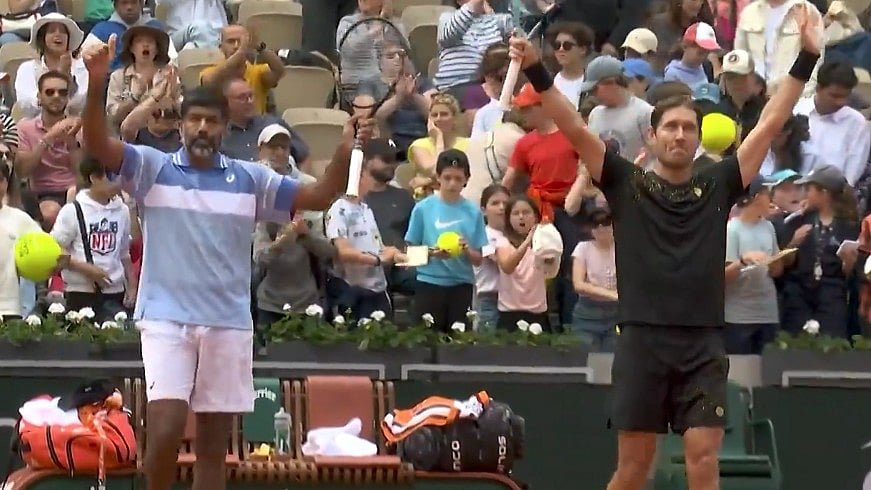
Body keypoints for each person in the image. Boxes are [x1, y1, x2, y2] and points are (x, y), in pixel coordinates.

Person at [506, 3, 820, 487]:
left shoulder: (721, 181)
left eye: (688, 128)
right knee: (634, 467)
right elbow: (570, 123)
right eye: (670, 127)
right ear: (650, 137)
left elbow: (771, 120)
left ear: (698, 139)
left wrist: (807, 57)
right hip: (641, 342)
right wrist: (533, 65)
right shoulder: (624, 181)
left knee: (702, 456)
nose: (679, 134)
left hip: (702, 341)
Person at [80, 33, 375, 490]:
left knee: (215, 448)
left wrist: (343, 148)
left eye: (211, 122)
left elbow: (318, 194)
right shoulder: (153, 168)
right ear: (181, 126)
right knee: (164, 432)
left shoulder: (251, 178)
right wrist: (97, 82)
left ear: (223, 128)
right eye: (194, 120)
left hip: (228, 322)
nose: (202, 128)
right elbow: (98, 144)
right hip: (166, 319)